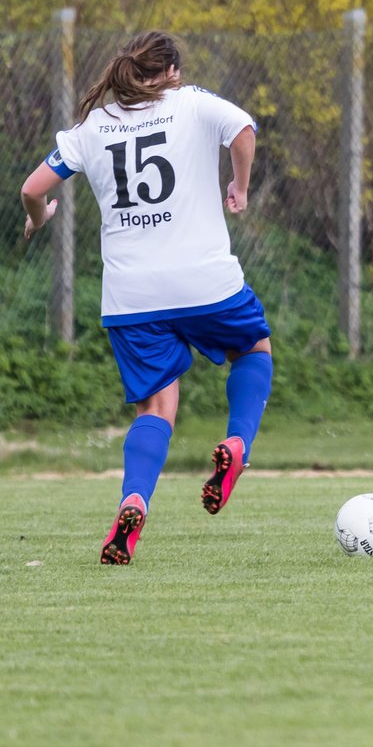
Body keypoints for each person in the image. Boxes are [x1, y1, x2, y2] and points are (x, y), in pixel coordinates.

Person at [20, 31, 273, 565]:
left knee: (158, 404)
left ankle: (134, 498)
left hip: (132, 295)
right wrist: (240, 186)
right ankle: (237, 445)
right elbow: (245, 128)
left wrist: (41, 218)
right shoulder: (193, 103)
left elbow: (32, 188)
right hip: (205, 282)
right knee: (253, 349)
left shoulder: (94, 126)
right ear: (173, 72)